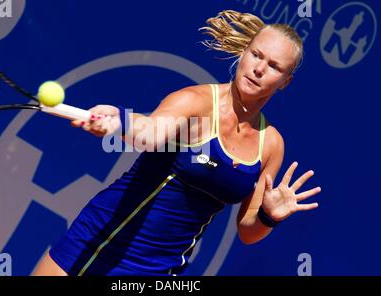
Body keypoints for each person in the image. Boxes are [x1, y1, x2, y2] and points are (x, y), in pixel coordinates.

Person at [33, 9, 321, 276]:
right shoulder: (194, 102)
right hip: (101, 245)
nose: (259, 68)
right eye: (256, 55)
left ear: (285, 81)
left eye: (273, 66)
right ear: (244, 52)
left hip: (163, 270)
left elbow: (247, 230)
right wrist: (120, 120)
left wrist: (269, 216)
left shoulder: (271, 144)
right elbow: (151, 133)